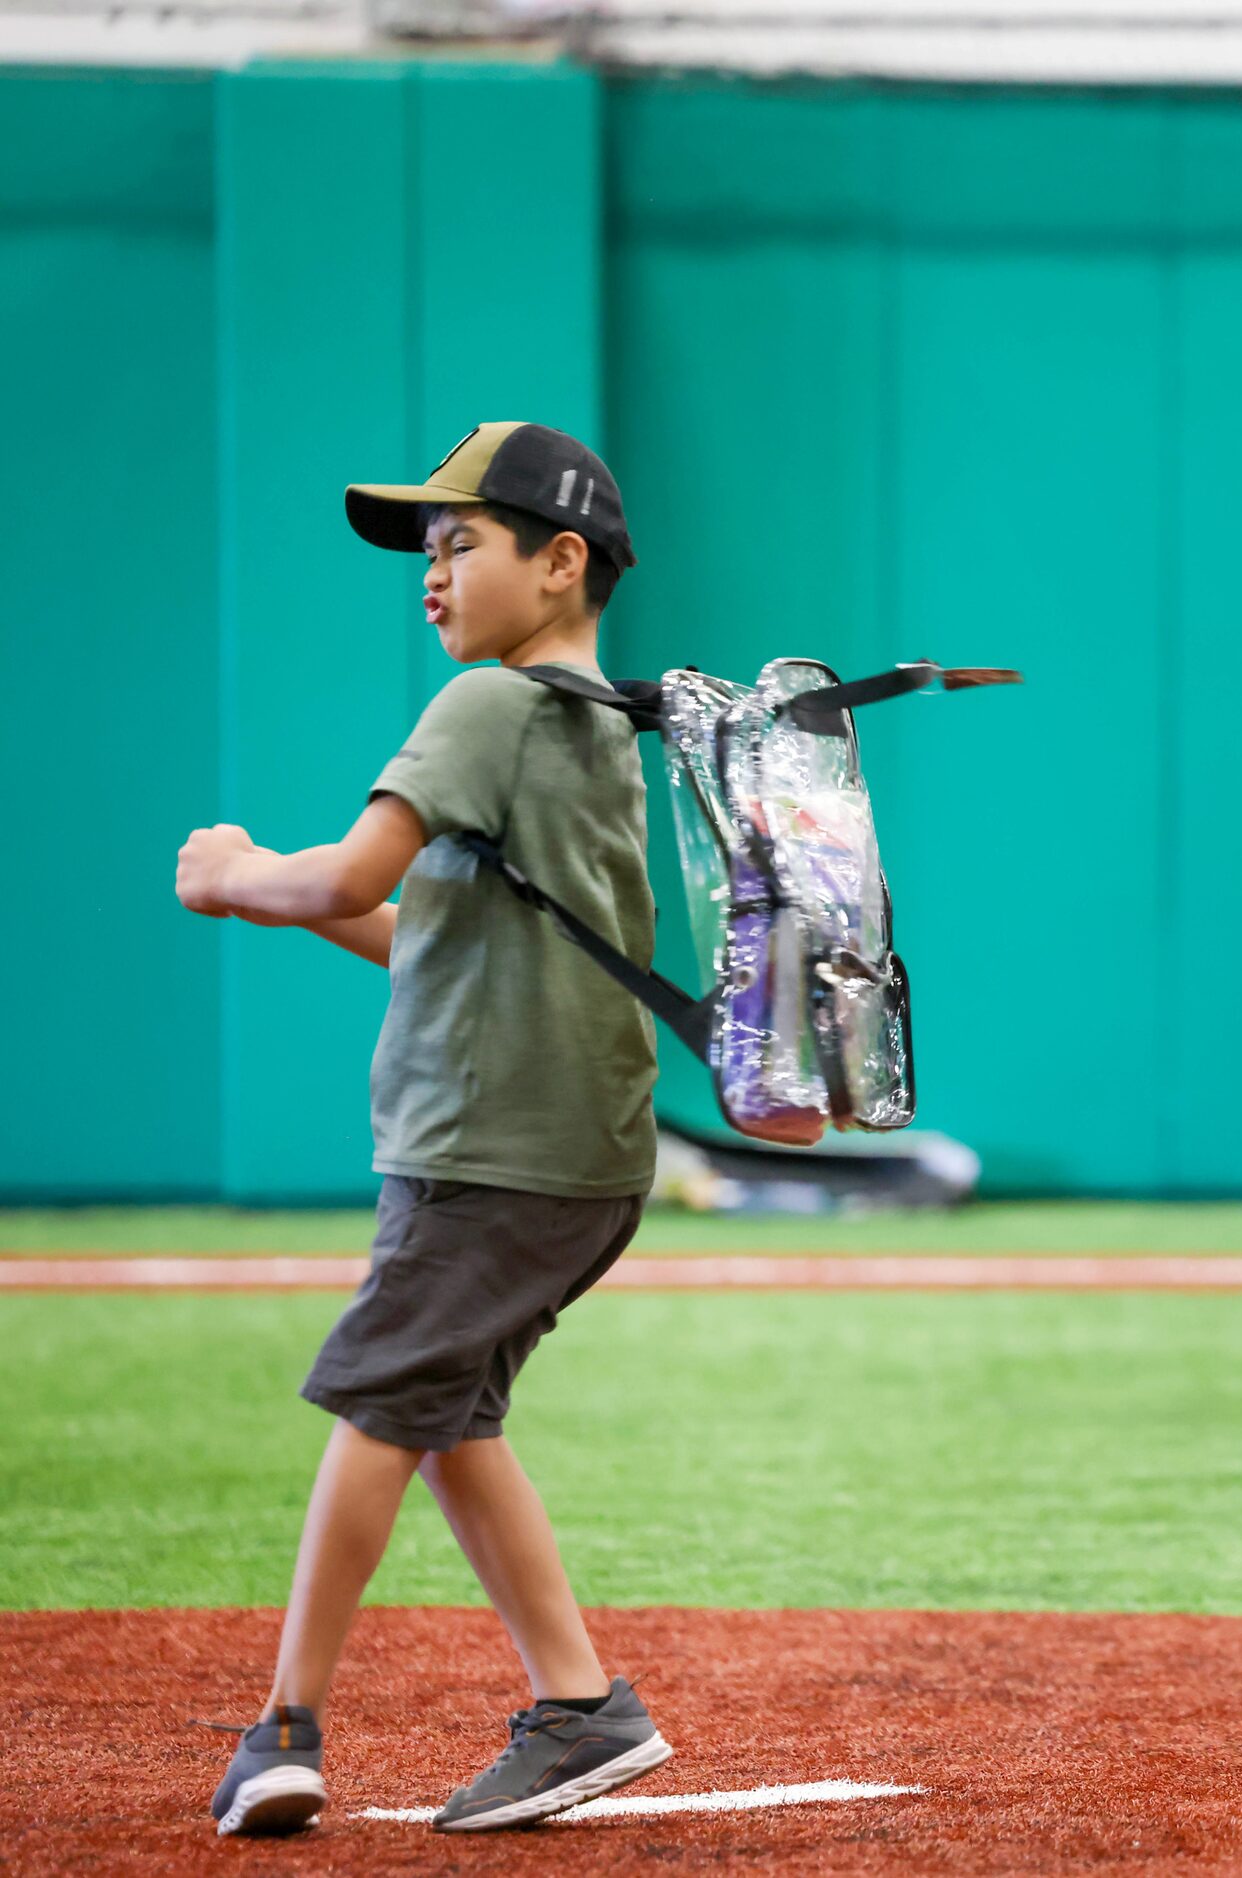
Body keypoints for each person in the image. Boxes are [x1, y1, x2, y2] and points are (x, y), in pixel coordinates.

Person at [181, 423, 676, 1836]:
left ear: (561, 559)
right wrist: (303, 890)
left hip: (485, 1151)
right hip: (573, 1154)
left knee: (380, 1400)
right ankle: (582, 1705)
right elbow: (427, 937)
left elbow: (346, 869)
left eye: (460, 541)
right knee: (449, 1415)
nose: (432, 572)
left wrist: (233, 877)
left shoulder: (487, 710)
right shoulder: (597, 725)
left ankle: (282, 1725)